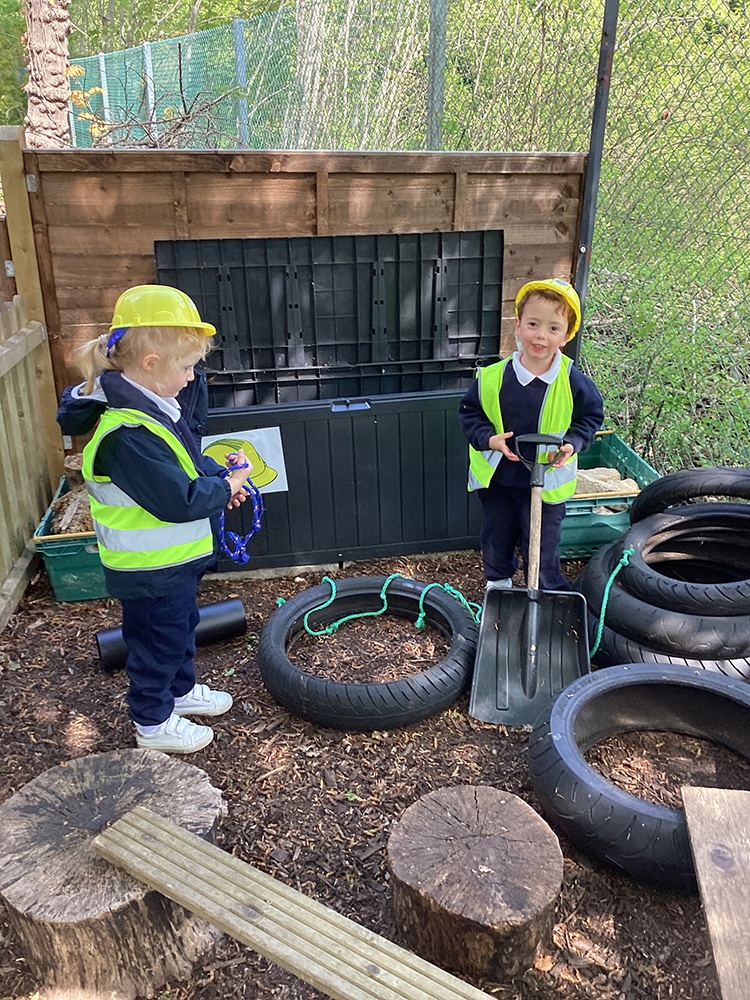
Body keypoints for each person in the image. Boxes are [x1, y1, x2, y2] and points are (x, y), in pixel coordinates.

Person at [78, 284, 251, 753]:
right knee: (156, 644)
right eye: (187, 366)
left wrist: (220, 478)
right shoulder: (127, 433)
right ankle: (152, 722)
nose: (192, 378)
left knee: (179, 629)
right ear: (151, 362)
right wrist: (226, 488)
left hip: (172, 564)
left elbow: (186, 463)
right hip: (149, 570)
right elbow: (178, 499)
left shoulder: (154, 410)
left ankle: (179, 691)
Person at [459, 277, 604, 592]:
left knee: (541, 543)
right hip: (499, 480)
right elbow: (470, 413)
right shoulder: (492, 378)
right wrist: (489, 439)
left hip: (546, 482)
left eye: (553, 328)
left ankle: (544, 589)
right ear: (518, 326)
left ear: (566, 336)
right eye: (533, 324)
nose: (541, 335)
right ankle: (499, 584)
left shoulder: (572, 381)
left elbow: (590, 418)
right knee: (496, 536)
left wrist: (572, 443)